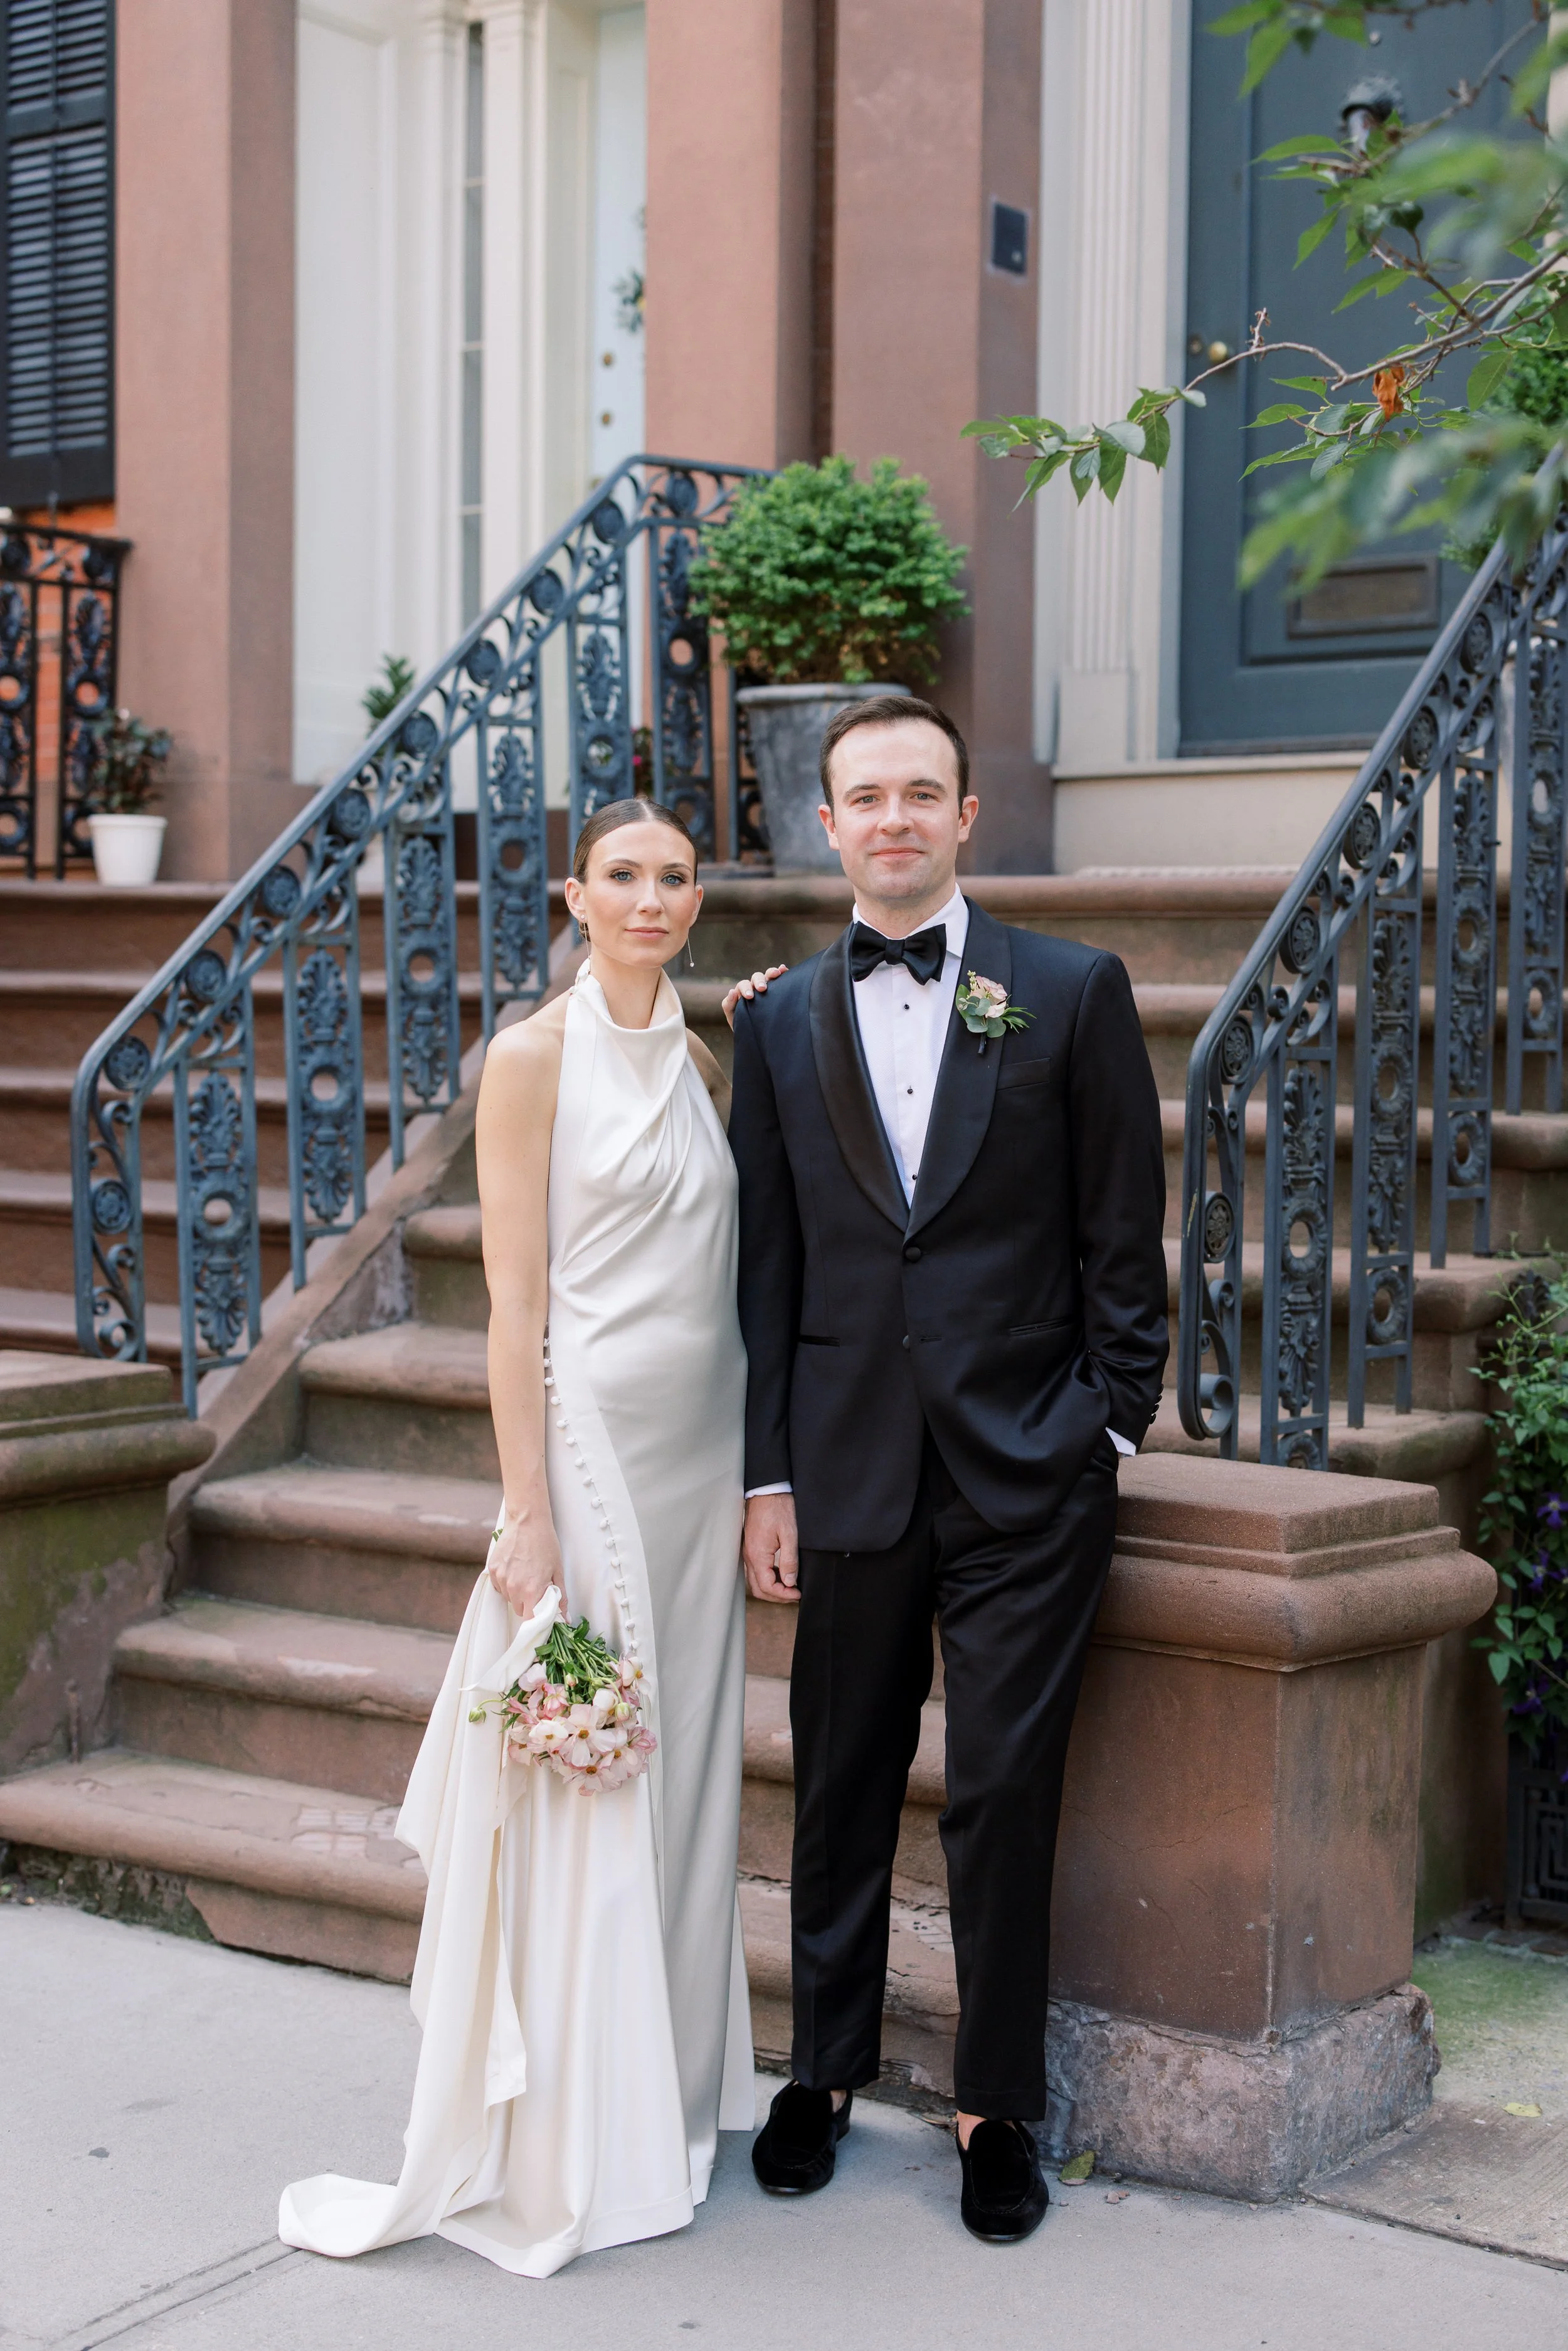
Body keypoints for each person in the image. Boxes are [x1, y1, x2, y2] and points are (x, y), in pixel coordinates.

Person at [279, 799, 755, 2278]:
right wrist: (527, 1504)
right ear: (575, 891)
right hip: (598, 1451)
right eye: (623, 874)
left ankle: (674, 2073)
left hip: (707, 1450)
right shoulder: (533, 1056)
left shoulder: (697, 1055)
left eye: (674, 877)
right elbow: (512, 1303)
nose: (651, 897)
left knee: (685, 1764)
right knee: (597, 1764)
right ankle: (577, 2125)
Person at [726, 694, 1167, 2244]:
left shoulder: (1068, 989)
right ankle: (825, 2067)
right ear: (828, 822)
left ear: (966, 815)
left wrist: (1104, 1426)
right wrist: (763, 1474)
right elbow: (766, 1269)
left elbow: (1124, 1236)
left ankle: (995, 2101)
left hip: (1023, 1472)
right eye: (866, 795)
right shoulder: (775, 1019)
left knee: (999, 1788)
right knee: (836, 1780)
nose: (894, 816)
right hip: (840, 1467)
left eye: (922, 791)